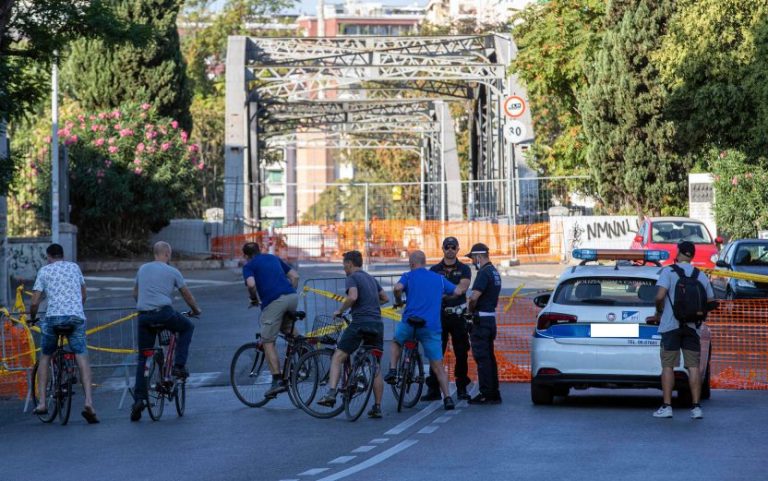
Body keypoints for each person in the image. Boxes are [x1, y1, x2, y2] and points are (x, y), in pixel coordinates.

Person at [131, 241, 201, 422]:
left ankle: (139, 399)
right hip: (164, 314)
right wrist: (196, 310)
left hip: (144, 316)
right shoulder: (173, 271)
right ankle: (178, 366)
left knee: (143, 357)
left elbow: (135, 294)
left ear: (155, 254)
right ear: (167, 254)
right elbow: (187, 294)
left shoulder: (143, 269)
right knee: (187, 327)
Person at [29, 243, 99, 424]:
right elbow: (84, 295)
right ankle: (89, 402)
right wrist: (75, 310)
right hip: (75, 318)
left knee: (45, 355)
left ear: (49, 257)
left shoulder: (44, 271)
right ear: (63, 255)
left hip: (53, 319)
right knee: (81, 355)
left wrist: (33, 318)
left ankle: (43, 402)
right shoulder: (74, 267)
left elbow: (35, 302)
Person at [384, 250, 461, 410]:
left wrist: (398, 300)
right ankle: (447, 397)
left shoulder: (408, 276)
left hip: (410, 324)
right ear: (424, 262)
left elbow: (397, 288)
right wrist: (443, 297)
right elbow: (458, 291)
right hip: (430, 326)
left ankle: (392, 369)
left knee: (397, 341)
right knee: (437, 365)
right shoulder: (439, 279)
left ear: (412, 263)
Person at [317, 251, 388, 418]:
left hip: (360, 323)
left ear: (349, 263)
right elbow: (385, 298)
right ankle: (377, 407)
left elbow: (353, 296)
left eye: (343, 264)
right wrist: (369, 304)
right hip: (377, 324)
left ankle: (331, 393)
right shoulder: (371, 278)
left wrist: (341, 310)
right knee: (375, 366)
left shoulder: (352, 277)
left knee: (338, 356)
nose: (343, 267)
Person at [651, 241, 715, 420]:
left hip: (670, 326)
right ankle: (696, 408)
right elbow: (710, 301)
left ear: (678, 253)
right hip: (692, 327)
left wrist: (658, 310)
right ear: (692, 255)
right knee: (693, 366)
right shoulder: (700, 275)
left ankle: (667, 406)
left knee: (668, 366)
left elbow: (659, 296)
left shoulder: (668, 272)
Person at [241, 241, 300, 399]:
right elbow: (295, 276)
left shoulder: (249, 266)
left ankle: (277, 380)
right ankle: (304, 356)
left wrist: (253, 299)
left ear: (245, 256)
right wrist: (289, 292)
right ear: (260, 250)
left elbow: (251, 285)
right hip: (292, 296)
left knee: (267, 341)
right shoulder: (273, 258)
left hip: (274, 301)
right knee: (286, 328)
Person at [422, 236, 472, 401]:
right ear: (442, 249)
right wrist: (451, 292)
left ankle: (462, 387)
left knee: (461, 352)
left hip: (458, 316)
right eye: (447, 247)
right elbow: (431, 291)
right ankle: (434, 389)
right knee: (436, 353)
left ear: (458, 249)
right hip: (439, 316)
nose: (450, 250)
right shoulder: (434, 270)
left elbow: (462, 289)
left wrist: (443, 294)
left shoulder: (464, 269)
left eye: (453, 247)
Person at [466, 243, 502, 405]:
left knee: (482, 358)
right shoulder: (494, 272)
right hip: (490, 319)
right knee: (489, 357)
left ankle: (486, 392)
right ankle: (494, 392)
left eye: (473, 258)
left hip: (480, 321)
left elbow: (474, 297)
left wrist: (468, 312)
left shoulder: (483, 273)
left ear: (479, 257)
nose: (473, 262)